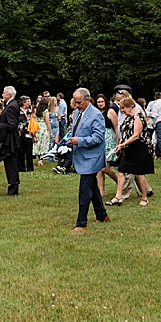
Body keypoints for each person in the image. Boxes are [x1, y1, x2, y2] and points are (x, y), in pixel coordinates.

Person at [66, 88, 109, 231]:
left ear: (87, 100)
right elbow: (73, 130)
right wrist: (67, 141)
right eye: (75, 102)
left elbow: (98, 137)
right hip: (82, 156)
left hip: (92, 158)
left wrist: (79, 141)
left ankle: (81, 223)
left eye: (79, 102)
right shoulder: (78, 112)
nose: (76, 105)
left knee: (84, 190)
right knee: (92, 187)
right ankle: (102, 215)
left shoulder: (96, 115)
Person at [111, 97, 153, 206]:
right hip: (128, 148)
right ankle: (118, 196)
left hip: (139, 148)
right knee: (121, 170)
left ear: (130, 107)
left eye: (123, 108)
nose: (122, 110)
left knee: (140, 174)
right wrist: (121, 143)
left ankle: (144, 198)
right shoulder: (128, 117)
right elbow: (125, 132)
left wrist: (123, 144)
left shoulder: (138, 116)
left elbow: (136, 135)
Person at [0, 86, 22, 195]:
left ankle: (13, 187)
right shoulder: (11, 105)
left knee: (11, 164)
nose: (2, 95)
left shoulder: (11, 106)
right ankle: (13, 185)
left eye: (4, 93)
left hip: (10, 140)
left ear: (9, 95)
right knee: (9, 163)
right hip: (10, 139)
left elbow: (12, 125)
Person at [95, 94, 122, 194]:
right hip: (100, 139)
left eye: (102, 102)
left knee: (105, 168)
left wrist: (118, 141)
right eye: (98, 102)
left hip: (110, 139)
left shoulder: (110, 111)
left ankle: (119, 182)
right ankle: (101, 190)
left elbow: (116, 127)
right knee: (99, 167)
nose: (100, 104)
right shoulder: (96, 113)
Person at [146, 92, 161, 158]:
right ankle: (159, 153)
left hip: (159, 122)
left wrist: (150, 115)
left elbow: (155, 115)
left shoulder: (155, 104)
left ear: (155, 97)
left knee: (159, 139)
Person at [19, 96, 35, 171]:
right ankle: (21, 167)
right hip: (20, 133)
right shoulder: (18, 111)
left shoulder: (30, 111)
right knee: (21, 151)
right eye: (28, 101)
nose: (29, 103)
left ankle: (30, 167)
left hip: (29, 132)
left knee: (29, 150)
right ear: (23, 102)